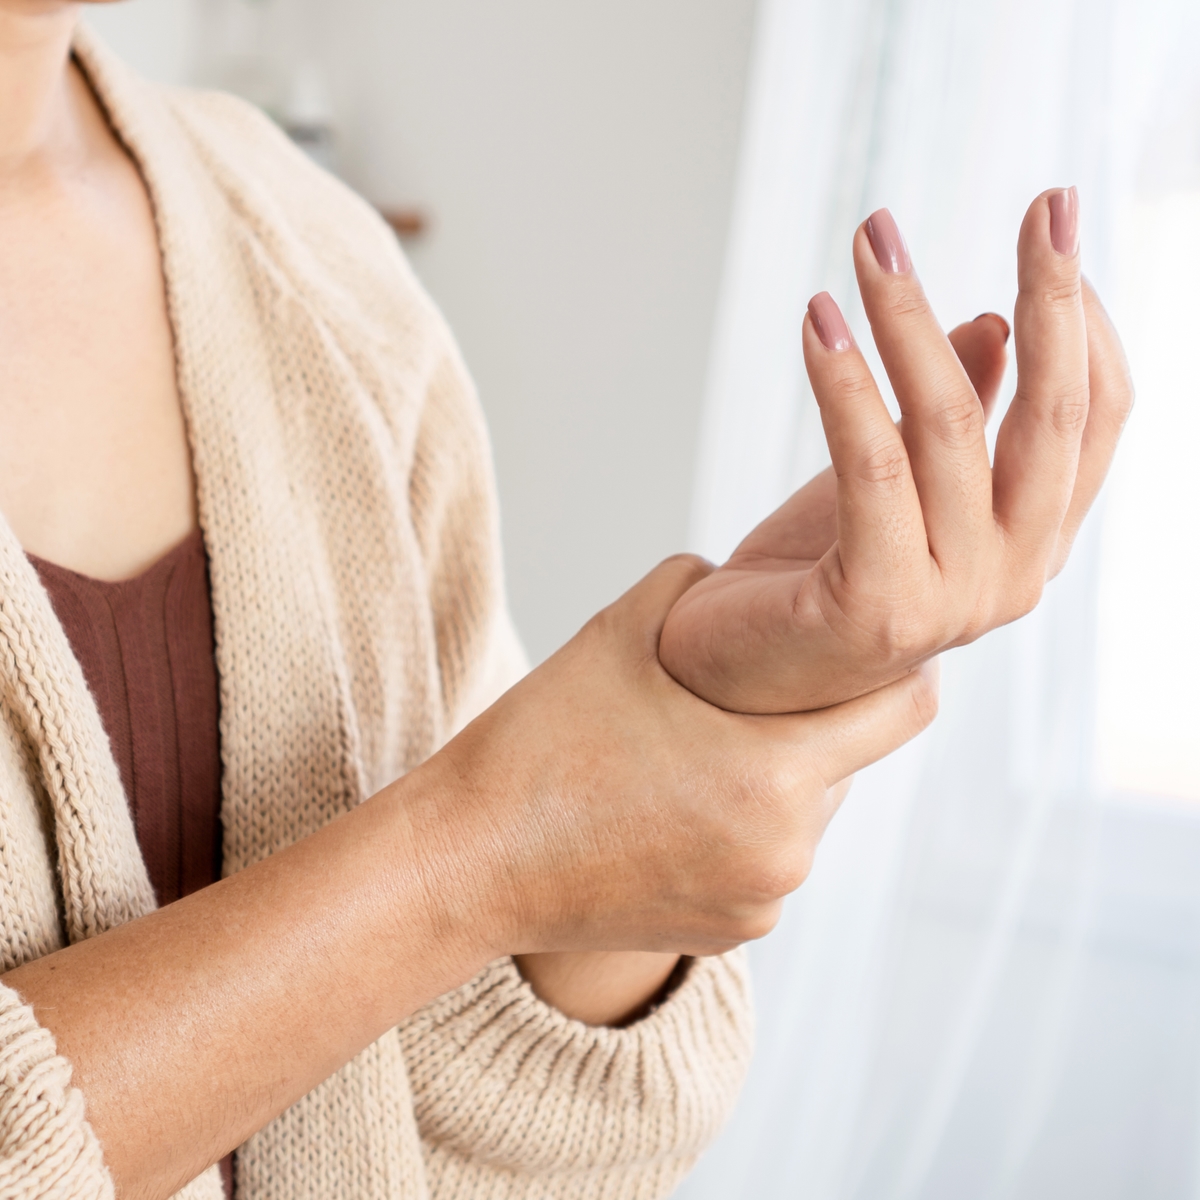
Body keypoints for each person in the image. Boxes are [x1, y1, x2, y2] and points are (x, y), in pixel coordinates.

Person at [0, 3, 1131, 1199]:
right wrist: (468, 858)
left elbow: (475, 1130)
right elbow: (473, 858)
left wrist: (686, 733)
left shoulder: (313, 257)